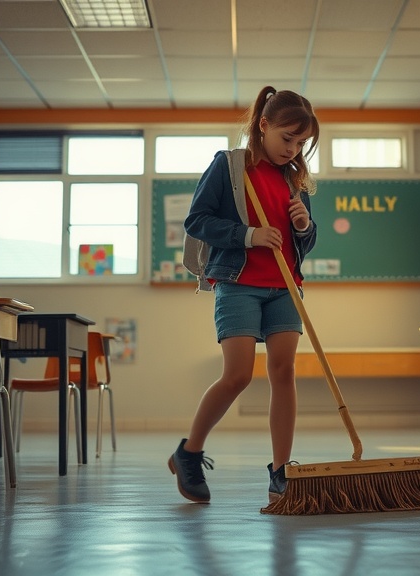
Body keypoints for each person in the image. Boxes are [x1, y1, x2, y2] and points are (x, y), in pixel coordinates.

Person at [168, 86, 320, 504]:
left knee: (284, 372)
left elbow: (303, 244)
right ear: (263, 125)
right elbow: (197, 220)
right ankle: (189, 452)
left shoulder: (295, 179)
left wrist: (305, 226)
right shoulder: (229, 166)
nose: (293, 149)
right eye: (287, 138)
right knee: (238, 375)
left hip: (285, 286)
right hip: (238, 282)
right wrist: (248, 235)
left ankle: (280, 472)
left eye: (301, 143)